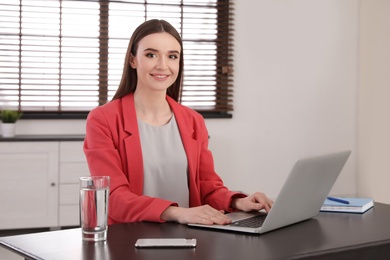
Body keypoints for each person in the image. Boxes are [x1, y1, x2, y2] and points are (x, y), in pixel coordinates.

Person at [83, 19, 273, 226]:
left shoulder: (193, 121)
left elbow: (207, 186)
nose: (162, 65)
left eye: (172, 56)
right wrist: (176, 212)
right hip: (129, 241)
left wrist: (239, 201)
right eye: (151, 54)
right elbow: (113, 196)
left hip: (188, 240)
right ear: (133, 60)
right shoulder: (103, 119)